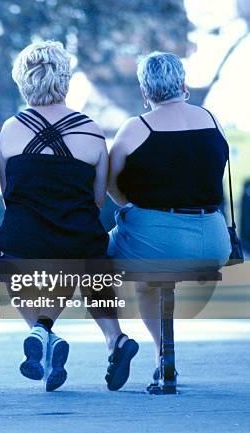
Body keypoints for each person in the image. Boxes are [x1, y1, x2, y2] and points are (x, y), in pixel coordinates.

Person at [0, 41, 138, 392]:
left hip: (25, 243)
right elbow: (99, 199)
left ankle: (42, 331)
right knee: (88, 261)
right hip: (81, 242)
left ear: (23, 81)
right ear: (65, 79)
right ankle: (115, 339)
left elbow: (9, 192)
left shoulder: (10, 130)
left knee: (1, 254)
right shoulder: (91, 131)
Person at [107, 51, 231, 387]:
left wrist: (134, 205)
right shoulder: (211, 119)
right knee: (150, 280)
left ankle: (132, 344)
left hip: (157, 239)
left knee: (96, 257)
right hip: (214, 240)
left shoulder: (136, 128)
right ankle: (164, 358)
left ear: (144, 92)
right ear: (183, 85)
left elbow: (110, 183)